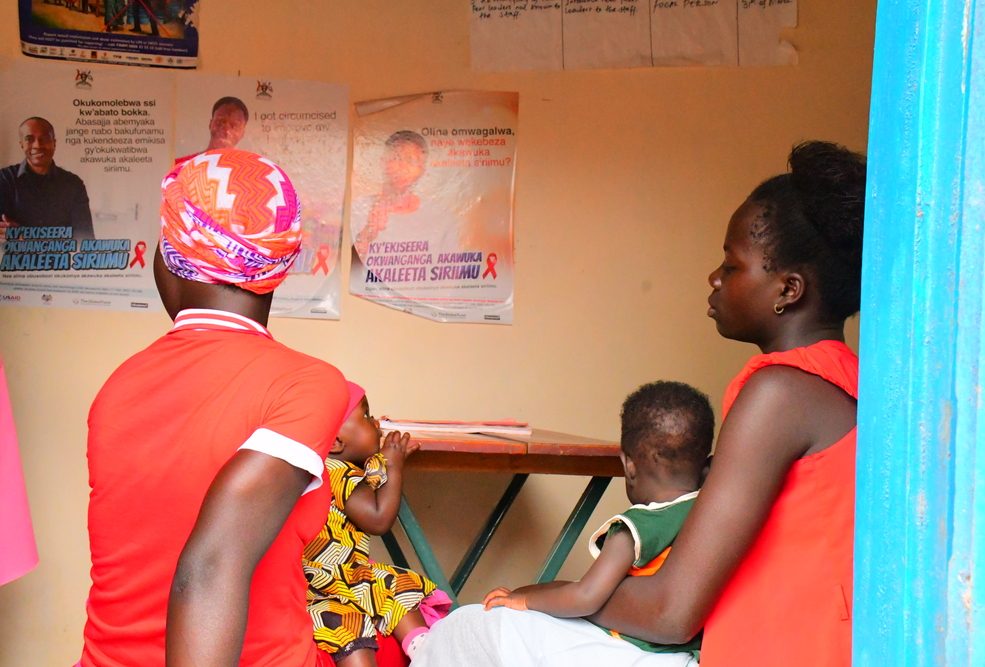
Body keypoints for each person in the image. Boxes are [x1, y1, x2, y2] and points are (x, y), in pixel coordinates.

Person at [412, 140, 865, 667]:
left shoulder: (780, 392)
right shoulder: (847, 380)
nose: (715, 279)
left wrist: (556, 593)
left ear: (788, 289)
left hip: (763, 653)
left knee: (476, 629)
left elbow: (671, 612)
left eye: (732, 265)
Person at [81, 149, 350, 666]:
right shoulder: (306, 385)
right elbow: (211, 567)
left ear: (170, 256)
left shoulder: (118, 386)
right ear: (280, 266)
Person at [478, 381, 713, 667]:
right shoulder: (711, 518)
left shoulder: (637, 527)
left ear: (629, 466)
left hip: (635, 648)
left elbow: (586, 596)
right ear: (706, 466)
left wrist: (522, 599)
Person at [304, 387, 451, 666]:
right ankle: (425, 650)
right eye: (367, 416)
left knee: (389, 582)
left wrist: (385, 459)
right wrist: (394, 466)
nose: (376, 424)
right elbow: (379, 518)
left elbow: (370, 480)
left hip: (341, 577)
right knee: (355, 619)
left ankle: (423, 649)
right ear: (335, 442)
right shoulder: (334, 472)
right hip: (328, 585)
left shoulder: (339, 468)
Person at [351, 130, 459, 257]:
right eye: (397, 158)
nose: (403, 167)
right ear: (383, 162)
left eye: (411, 161)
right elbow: (345, 269)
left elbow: (453, 272)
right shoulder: (357, 210)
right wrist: (367, 234)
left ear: (422, 169)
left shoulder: (441, 216)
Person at [0, 117, 94, 240]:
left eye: (44, 138)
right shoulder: (4, 179)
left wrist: (25, 238)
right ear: (21, 145)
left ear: (54, 143)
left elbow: (85, 242)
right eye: (29, 139)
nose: (38, 145)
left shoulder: (73, 185)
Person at [174, 97, 249, 165]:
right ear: (210, 124)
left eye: (234, 125)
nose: (226, 128)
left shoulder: (248, 171)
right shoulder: (180, 166)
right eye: (221, 121)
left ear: (243, 133)